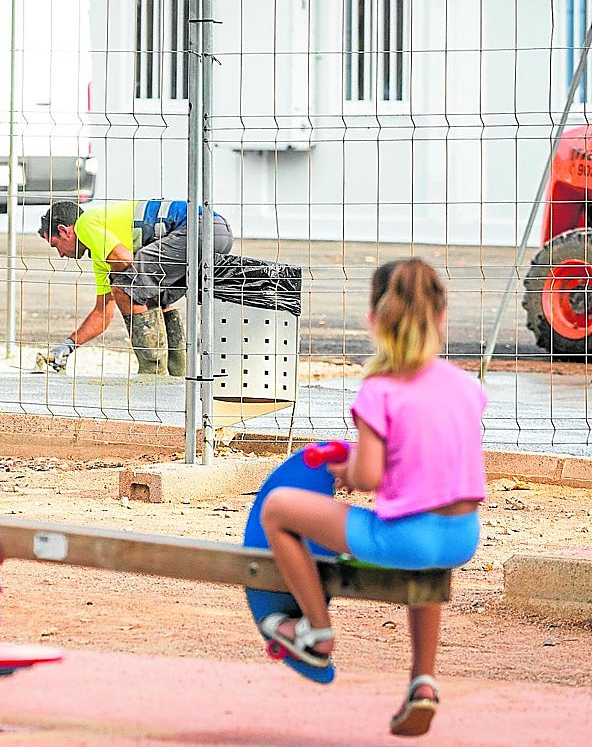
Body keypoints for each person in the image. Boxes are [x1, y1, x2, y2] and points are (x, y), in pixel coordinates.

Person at [259, 258, 487, 737]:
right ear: (442, 316)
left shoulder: (379, 390)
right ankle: (423, 680)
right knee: (425, 565)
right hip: (462, 537)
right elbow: (434, 460)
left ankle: (316, 632)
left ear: (374, 320)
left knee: (278, 508)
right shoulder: (466, 387)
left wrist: (345, 470)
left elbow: (367, 476)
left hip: (406, 539)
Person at [38, 199, 233, 376]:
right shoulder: (101, 253)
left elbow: (124, 260)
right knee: (155, 297)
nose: (60, 254)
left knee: (125, 288)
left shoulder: (85, 224)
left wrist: (118, 281)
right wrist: (67, 346)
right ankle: (177, 374)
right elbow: (102, 314)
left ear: (64, 231)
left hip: (198, 229)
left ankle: (151, 375)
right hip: (218, 231)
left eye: (55, 245)